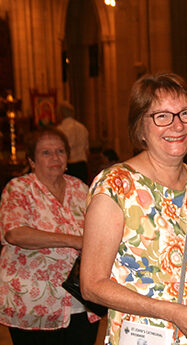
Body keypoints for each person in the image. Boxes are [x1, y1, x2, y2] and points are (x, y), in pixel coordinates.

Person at [80, 73, 187, 345]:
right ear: (140, 128)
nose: (177, 125)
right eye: (162, 116)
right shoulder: (116, 186)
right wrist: (175, 313)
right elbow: (92, 285)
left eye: (185, 113)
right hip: (143, 336)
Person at [0, 127, 101, 345]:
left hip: (81, 300)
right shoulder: (18, 189)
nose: (55, 157)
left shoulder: (81, 189)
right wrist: (73, 240)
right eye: (46, 153)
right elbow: (15, 233)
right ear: (32, 160)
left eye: (60, 151)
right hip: (34, 303)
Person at [57, 101, 90, 183]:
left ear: (61, 114)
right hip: (82, 166)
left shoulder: (59, 130)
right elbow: (87, 151)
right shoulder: (82, 127)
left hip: (68, 167)